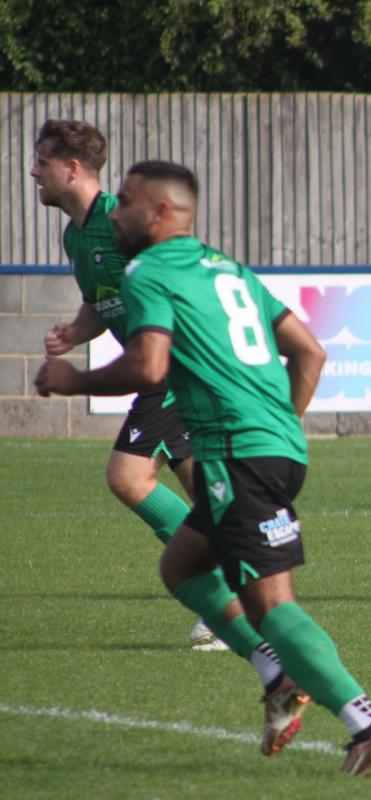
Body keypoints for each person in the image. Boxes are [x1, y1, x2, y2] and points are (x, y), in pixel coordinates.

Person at [34, 160, 371, 775]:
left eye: (127, 202)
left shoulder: (149, 270)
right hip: (269, 447)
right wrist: (282, 427)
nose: (116, 214)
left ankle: (367, 723)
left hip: (238, 454)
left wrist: (73, 380)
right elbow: (310, 352)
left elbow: (150, 366)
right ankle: (276, 673)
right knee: (181, 566)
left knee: (273, 606)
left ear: (160, 213)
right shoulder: (229, 269)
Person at [30, 119, 225, 649]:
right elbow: (101, 301)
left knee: (127, 477)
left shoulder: (124, 220)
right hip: (170, 372)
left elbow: (180, 274)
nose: (33, 172)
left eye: (42, 162)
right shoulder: (75, 234)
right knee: (211, 497)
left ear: (72, 168)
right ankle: (241, 595)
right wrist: (74, 332)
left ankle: (219, 588)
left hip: (180, 365)